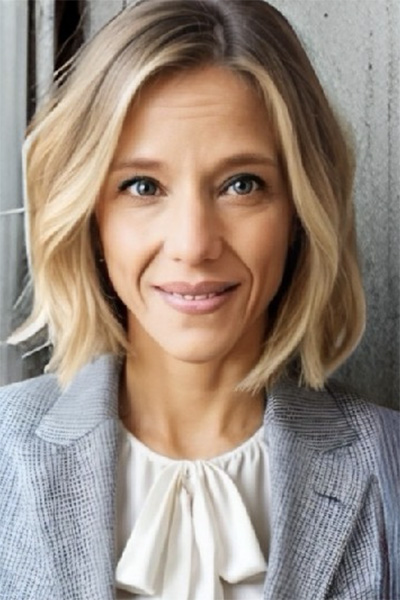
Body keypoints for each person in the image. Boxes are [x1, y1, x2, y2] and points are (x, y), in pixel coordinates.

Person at [0, 0, 398, 598]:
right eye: (143, 186)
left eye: (242, 185)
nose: (193, 245)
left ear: (300, 210)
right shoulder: (6, 451)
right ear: (91, 215)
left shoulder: (387, 467)